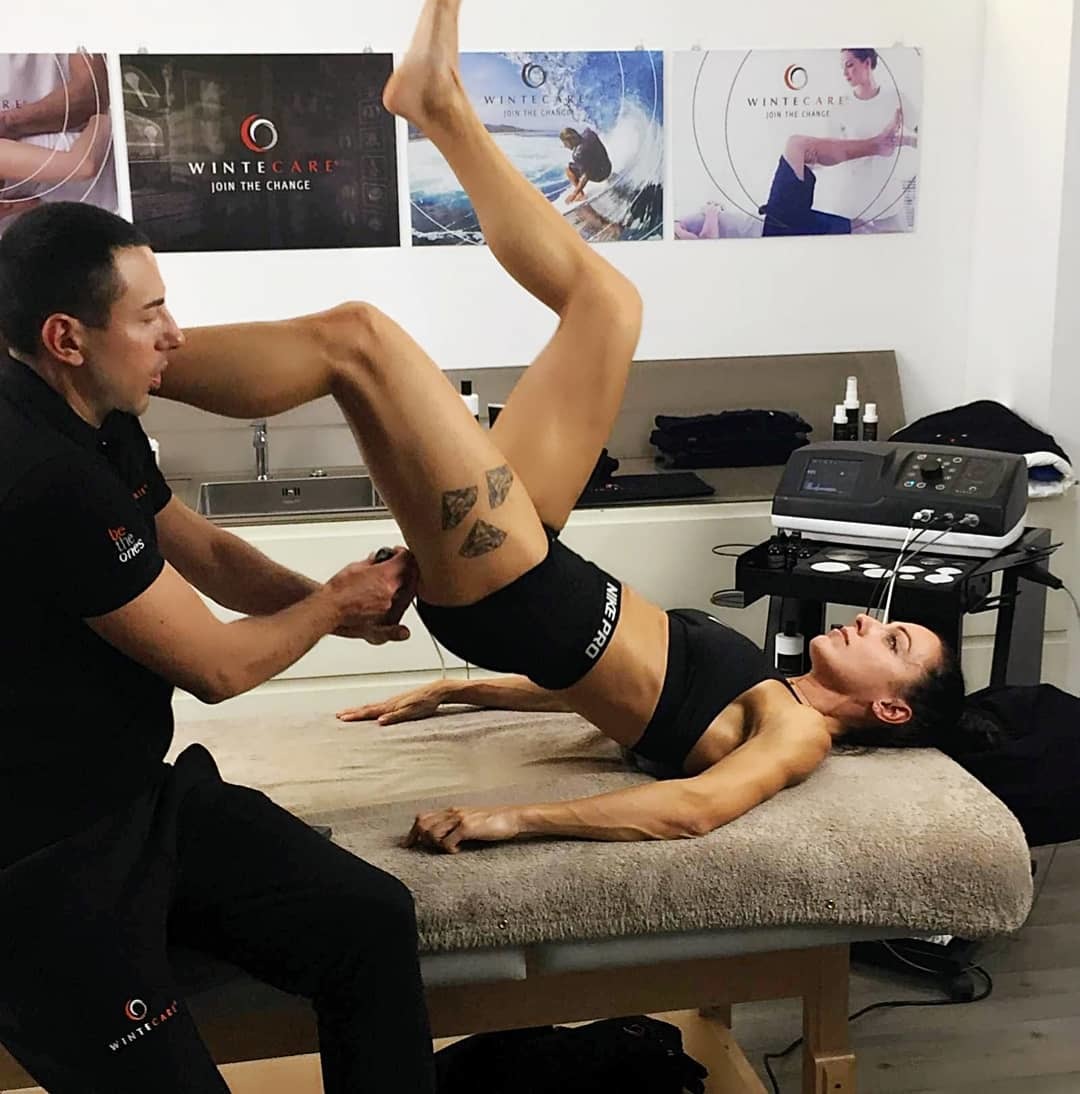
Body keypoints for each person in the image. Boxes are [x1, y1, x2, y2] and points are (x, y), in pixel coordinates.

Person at [145, 0, 969, 859]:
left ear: (891, 708)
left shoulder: (797, 735)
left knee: (358, 341)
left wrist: (511, 818)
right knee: (606, 304)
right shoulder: (773, 684)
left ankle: (115, 363)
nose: (869, 623)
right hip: (537, 569)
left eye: (894, 641)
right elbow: (604, 689)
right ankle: (439, 106)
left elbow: (695, 809)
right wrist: (457, 694)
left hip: (517, 591)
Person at [0, 166, 434, 1094]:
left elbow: (204, 551)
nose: (176, 335)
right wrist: (331, 606)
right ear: (66, 338)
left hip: (136, 804)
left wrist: (339, 609)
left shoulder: (101, 419)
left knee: (368, 919)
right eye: (150, 314)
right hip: (39, 863)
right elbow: (216, 669)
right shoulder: (39, 475)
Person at [0, 52, 118, 226]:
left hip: (94, 203)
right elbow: (83, 166)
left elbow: (29, 203)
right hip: (107, 164)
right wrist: (103, 117)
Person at [758, 108, 913, 236]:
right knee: (797, 144)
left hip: (778, 222)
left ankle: (879, 145)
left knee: (858, 227)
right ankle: (879, 145)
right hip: (776, 227)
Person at [560, 125, 612, 203]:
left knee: (568, 170)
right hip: (608, 166)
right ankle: (608, 177)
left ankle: (581, 195)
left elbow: (586, 176)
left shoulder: (579, 154)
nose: (565, 146)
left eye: (565, 143)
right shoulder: (589, 133)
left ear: (571, 140)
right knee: (592, 160)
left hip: (601, 175)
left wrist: (574, 194)